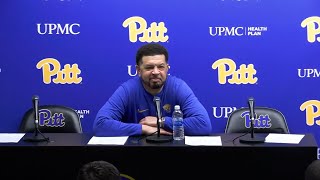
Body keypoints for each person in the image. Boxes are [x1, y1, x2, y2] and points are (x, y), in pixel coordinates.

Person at [93, 43, 212, 136]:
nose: (156, 72)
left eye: (161, 67)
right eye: (149, 67)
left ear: (167, 68)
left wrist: (161, 122)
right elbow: (100, 124)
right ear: (138, 70)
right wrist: (143, 128)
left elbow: (203, 124)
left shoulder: (178, 87)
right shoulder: (128, 89)